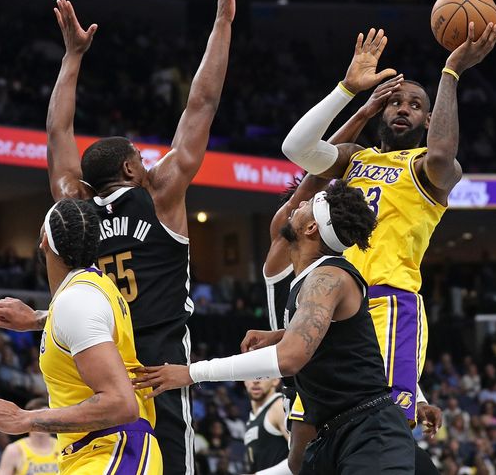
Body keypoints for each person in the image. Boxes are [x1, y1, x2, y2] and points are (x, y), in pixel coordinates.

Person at [0, 0, 236, 475]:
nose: (151, 164)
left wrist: (72, 57)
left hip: (98, 357)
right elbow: (202, 104)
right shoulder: (162, 193)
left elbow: (58, 134)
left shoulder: (73, 207)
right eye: (142, 160)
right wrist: (223, 23)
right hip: (159, 364)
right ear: (131, 167)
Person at [281, 23, 496, 424]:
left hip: (387, 303)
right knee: (304, 447)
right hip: (330, 303)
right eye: (395, 101)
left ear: (430, 120)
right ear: (379, 109)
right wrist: (347, 90)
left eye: (415, 105)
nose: (403, 109)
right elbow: (296, 148)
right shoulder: (355, 159)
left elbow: (441, 154)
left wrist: (450, 73)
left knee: (382, 430)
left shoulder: (430, 171)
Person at [132, 180, 415, 474]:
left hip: (370, 429)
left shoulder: (326, 277)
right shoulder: (312, 277)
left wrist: (191, 372)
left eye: (308, 203)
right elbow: (335, 334)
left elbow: (289, 359)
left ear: (311, 229)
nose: (299, 203)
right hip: (337, 431)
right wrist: (282, 335)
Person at [0, 199, 162, 474]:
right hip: (98, 451)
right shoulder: (93, 289)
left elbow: (121, 403)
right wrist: (37, 319)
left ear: (44, 239)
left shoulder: (77, 301)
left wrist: (25, 419)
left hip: (114, 451)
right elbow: (84, 322)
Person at [0, 398, 59, 475]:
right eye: (36, 418)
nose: (41, 423)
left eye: (44, 418)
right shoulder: (14, 450)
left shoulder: (62, 447)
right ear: (27, 420)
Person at [243, 379, 290, 475]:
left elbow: (301, 455)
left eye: (261, 376)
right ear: (244, 381)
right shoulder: (251, 418)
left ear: (275, 380)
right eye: (250, 376)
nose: (255, 381)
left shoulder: (279, 406)